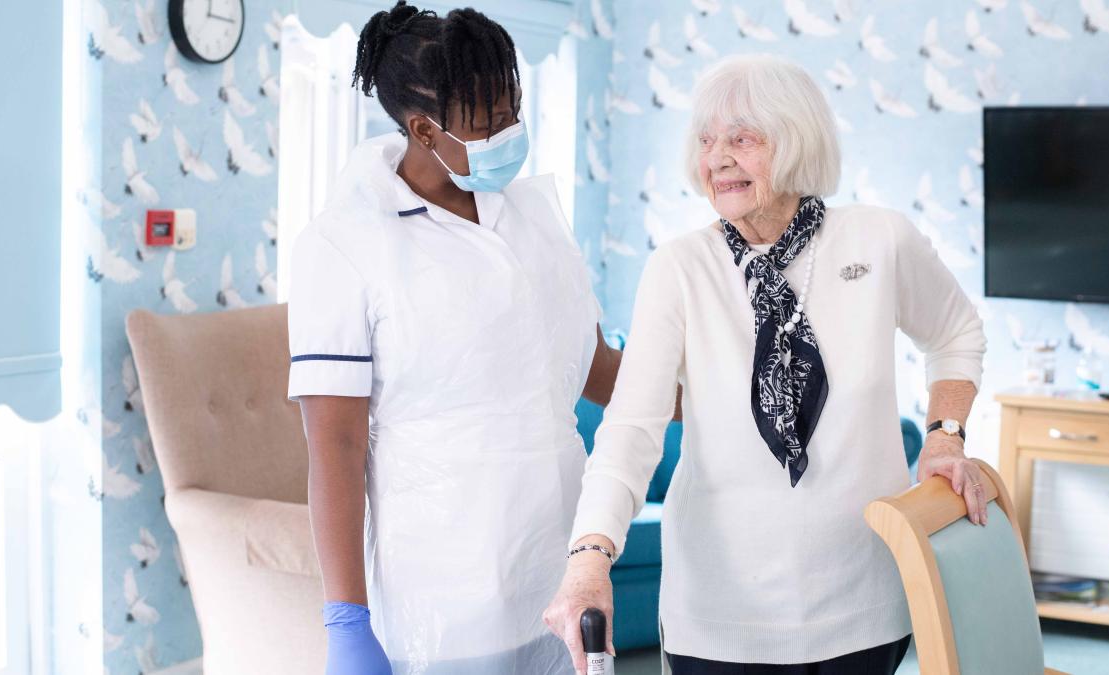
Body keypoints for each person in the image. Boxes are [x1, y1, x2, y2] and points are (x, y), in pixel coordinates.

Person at [543, 54, 988, 675]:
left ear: (796, 141)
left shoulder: (879, 241)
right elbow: (632, 426)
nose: (717, 157)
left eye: (742, 139)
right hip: (720, 615)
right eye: (706, 141)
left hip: (862, 598)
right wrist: (590, 555)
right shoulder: (680, 269)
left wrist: (945, 437)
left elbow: (956, 331)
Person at [287, 4, 621, 673]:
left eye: (513, 110)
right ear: (421, 128)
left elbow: (594, 366)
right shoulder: (345, 243)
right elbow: (336, 441)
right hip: (445, 600)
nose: (510, 131)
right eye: (488, 120)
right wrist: (345, 617)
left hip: (564, 575)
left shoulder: (534, 213)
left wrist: (710, 391)